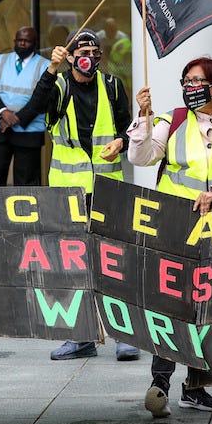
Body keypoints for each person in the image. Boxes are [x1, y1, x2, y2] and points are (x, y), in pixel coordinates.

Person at [128, 57, 212, 418]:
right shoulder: (171, 121)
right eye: (186, 80)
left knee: (211, 306)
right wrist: (142, 119)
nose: (190, 86)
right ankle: (161, 382)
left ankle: (197, 387)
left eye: (197, 80)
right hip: (174, 227)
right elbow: (140, 157)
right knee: (171, 304)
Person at [24, 29, 139, 361]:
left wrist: (122, 141)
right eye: (83, 51)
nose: (90, 57)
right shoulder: (58, 86)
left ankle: (123, 336)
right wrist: (50, 70)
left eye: (95, 51)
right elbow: (33, 110)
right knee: (72, 264)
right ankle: (80, 337)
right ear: (70, 55)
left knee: (112, 262)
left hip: (106, 188)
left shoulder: (113, 86)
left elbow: (127, 127)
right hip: (68, 192)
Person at [0, 26, 49, 186]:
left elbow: (41, 99)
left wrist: (16, 118)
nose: (22, 44)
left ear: (35, 43)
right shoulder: (0, 60)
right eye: (19, 40)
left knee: (26, 181)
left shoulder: (45, 66)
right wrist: (3, 113)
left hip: (28, 131)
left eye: (26, 41)